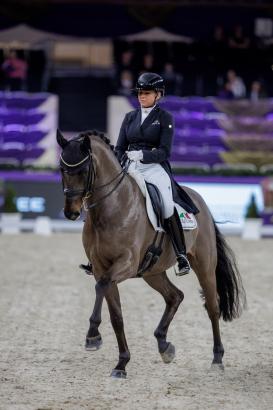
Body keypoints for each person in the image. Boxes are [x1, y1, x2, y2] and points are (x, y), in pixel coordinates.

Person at [115, 72, 197, 275]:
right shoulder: (130, 117)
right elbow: (119, 147)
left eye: (147, 92)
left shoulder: (164, 118)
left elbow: (165, 151)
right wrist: (122, 160)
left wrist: (141, 155)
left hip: (153, 167)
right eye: (140, 93)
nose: (142, 96)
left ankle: (181, 255)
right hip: (130, 166)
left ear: (158, 95)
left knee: (167, 205)